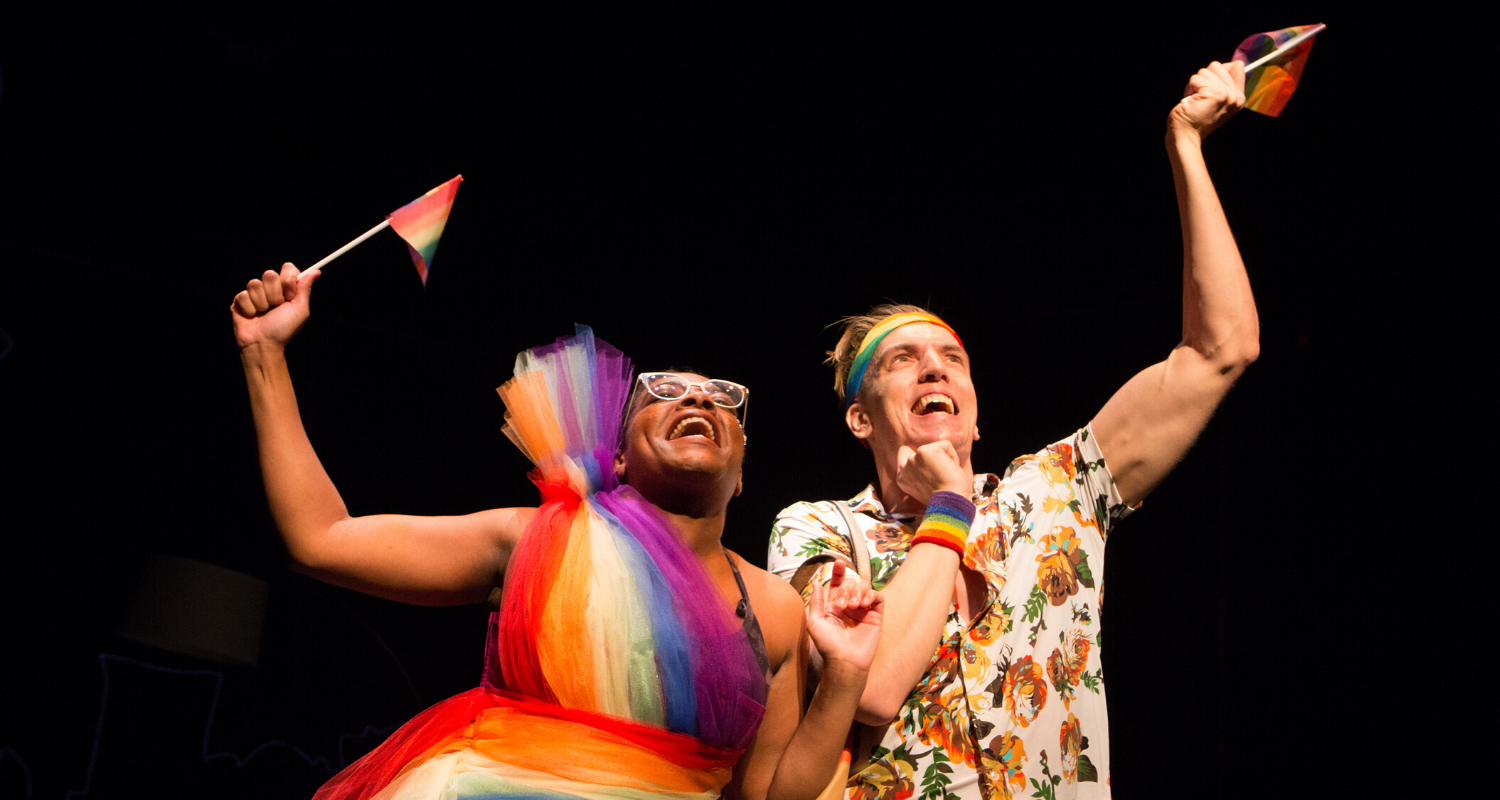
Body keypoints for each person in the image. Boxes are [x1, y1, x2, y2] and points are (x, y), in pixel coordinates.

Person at [767, 60, 1257, 799]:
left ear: (975, 403)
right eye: (904, 361)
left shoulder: (1057, 487)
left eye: (951, 359)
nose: (935, 369)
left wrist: (1185, 146)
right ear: (860, 418)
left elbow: (1221, 351)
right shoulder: (816, 530)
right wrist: (950, 506)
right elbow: (869, 689)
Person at [230, 264, 884, 799]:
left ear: (742, 475)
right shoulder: (539, 539)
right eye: (665, 391)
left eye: (721, 397)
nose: (698, 399)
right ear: (619, 456)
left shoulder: (774, 607)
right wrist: (264, 354)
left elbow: (768, 796)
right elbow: (321, 537)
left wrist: (848, 673)